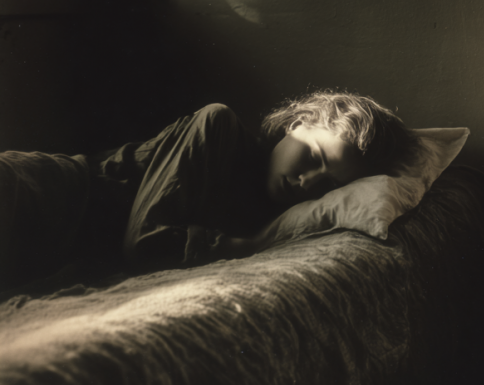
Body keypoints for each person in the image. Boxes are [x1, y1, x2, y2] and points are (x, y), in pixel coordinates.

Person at [79, 89, 418, 277]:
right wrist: (248, 245)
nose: (307, 183)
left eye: (329, 185)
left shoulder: (272, 211)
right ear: (296, 125)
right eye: (314, 156)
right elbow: (144, 244)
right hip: (64, 189)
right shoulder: (218, 125)